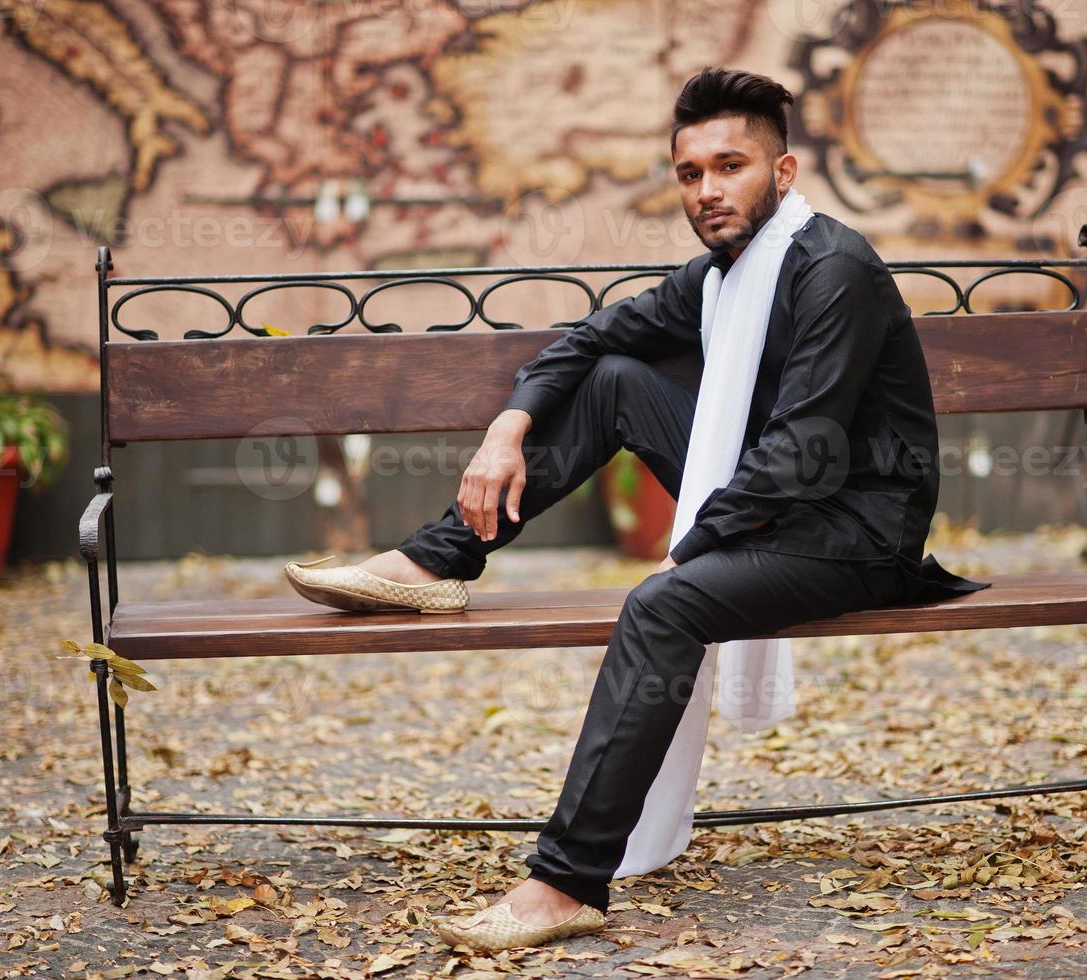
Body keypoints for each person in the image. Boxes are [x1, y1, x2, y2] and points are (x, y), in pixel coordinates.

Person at [284, 65, 989, 951]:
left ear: (783, 173)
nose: (706, 190)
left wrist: (692, 545)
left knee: (664, 604)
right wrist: (509, 424)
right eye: (689, 172)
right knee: (615, 380)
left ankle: (563, 884)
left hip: (858, 532)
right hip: (780, 505)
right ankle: (437, 560)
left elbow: (804, 449)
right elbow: (592, 338)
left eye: (729, 166)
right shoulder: (719, 276)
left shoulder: (831, 270)